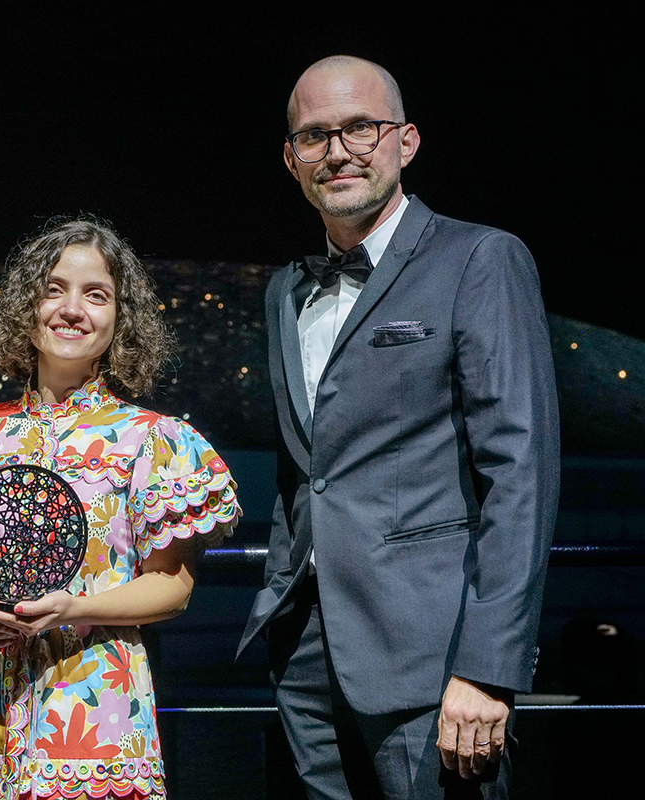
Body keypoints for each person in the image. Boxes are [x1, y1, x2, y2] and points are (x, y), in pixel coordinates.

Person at [236, 56, 560, 799]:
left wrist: (488, 665)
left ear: (405, 142)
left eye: (360, 128)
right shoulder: (285, 291)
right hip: (308, 655)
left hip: (434, 656)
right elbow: (308, 471)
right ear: (292, 160)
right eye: (314, 136)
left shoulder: (480, 259)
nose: (339, 150)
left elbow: (522, 472)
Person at [0, 217, 241, 799]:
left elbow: (170, 586)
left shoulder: (154, 441)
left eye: (95, 295)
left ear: (122, 319)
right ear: (27, 304)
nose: (72, 309)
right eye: (54, 288)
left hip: (94, 701)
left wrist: (74, 607)